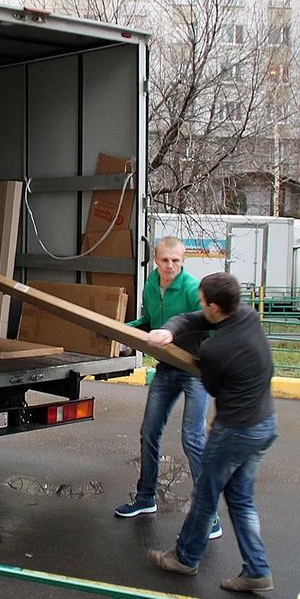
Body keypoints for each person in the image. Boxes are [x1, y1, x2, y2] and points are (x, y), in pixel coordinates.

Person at [146, 272, 277, 593]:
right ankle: (257, 570)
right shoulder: (247, 316)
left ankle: (186, 557)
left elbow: (212, 386)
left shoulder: (216, 350)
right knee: (241, 498)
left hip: (236, 431)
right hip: (264, 424)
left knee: (205, 493)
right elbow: (192, 319)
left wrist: (205, 353)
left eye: (204, 301)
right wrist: (169, 330)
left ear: (216, 308)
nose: (200, 305)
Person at [115, 237, 221, 539]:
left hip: (193, 371)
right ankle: (145, 498)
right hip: (165, 369)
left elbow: (212, 327)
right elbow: (150, 321)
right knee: (149, 431)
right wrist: (124, 333)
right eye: (165, 260)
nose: (170, 266)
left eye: (176, 260)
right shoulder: (151, 286)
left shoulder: (192, 289)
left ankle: (209, 515)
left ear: (183, 260)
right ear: (156, 260)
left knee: (193, 439)